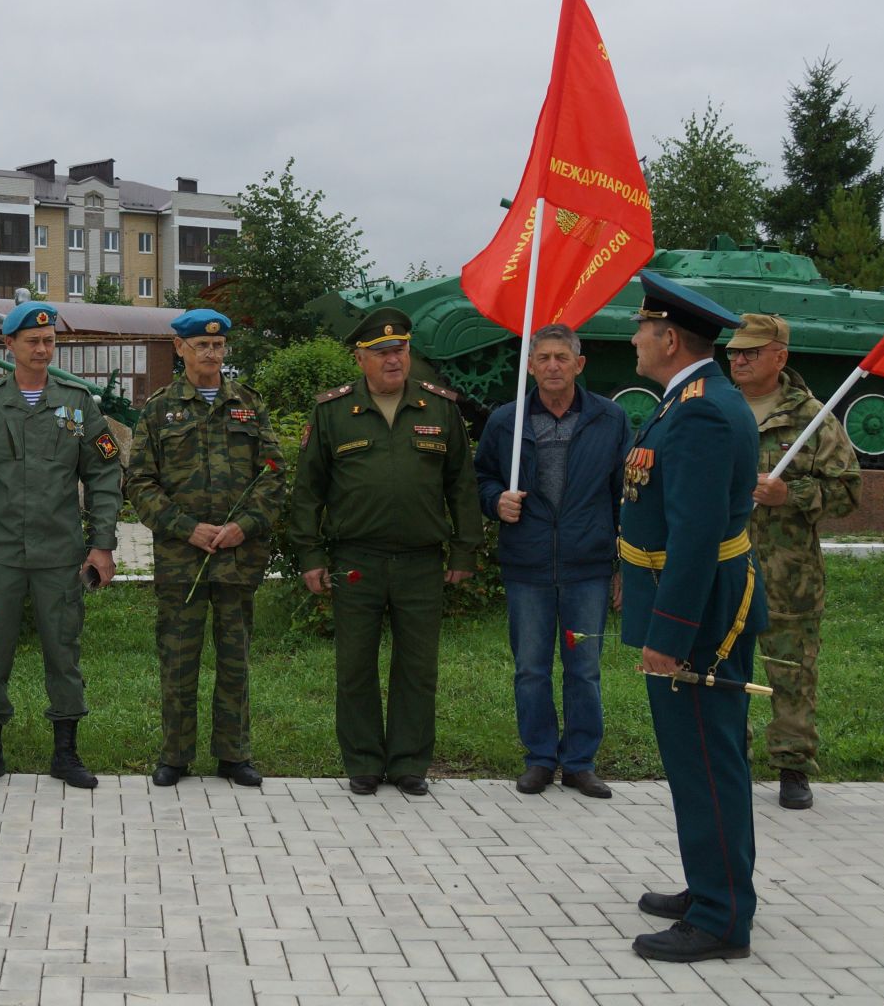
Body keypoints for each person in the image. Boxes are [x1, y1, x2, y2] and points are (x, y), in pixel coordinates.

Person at [619, 271, 765, 962]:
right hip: (695, 604)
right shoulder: (692, 400)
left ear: (669, 338)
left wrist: (667, 636)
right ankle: (713, 884)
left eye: (642, 329)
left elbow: (696, 534)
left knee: (708, 760)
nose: (634, 339)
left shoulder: (702, 410)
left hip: (700, 616)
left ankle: (721, 917)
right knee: (702, 757)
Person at [286, 307, 480, 797]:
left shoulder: (439, 408)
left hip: (420, 561)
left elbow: (462, 486)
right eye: (381, 353)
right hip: (357, 560)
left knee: (418, 667)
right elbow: (308, 491)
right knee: (354, 666)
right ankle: (365, 761)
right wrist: (310, 556)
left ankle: (410, 762)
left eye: (400, 351)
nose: (393, 360)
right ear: (360, 359)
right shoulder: (332, 412)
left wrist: (464, 551)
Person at [0, 300, 123, 790]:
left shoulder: (79, 403)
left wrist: (101, 545)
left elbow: (105, 474)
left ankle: (66, 753)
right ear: (10, 345)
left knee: (63, 650)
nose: (42, 349)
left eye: (49, 341)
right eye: (32, 341)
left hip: (60, 553)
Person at [124, 308, 287, 788]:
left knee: (234, 658)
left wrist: (244, 525)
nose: (211, 354)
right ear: (181, 349)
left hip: (238, 557)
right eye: (202, 346)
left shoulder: (249, 405)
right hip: (182, 559)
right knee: (178, 658)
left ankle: (234, 755)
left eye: (218, 346)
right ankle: (175, 755)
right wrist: (186, 527)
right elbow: (140, 481)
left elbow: (274, 473)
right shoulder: (158, 409)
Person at [474, 323, 630, 799]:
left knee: (584, 668)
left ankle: (580, 763)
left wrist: (623, 562)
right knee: (531, 668)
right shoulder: (507, 420)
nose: (553, 366)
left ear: (579, 364)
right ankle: (540, 758)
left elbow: (627, 493)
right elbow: (481, 477)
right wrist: (496, 500)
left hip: (589, 566)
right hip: (528, 565)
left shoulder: (610, 419)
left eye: (562, 357)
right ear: (530, 365)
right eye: (543, 358)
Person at [725, 312, 860, 811]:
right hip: (725, 565)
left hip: (789, 573)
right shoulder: (717, 408)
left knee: (791, 671)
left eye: (751, 352)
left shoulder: (812, 418)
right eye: (735, 351)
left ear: (779, 356)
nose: (739, 359)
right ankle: (729, 758)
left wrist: (791, 494)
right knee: (723, 668)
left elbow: (848, 491)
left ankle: (792, 766)